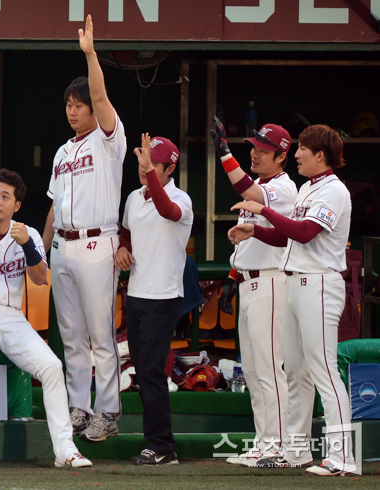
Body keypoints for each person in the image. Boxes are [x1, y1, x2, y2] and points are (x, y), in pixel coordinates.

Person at [228, 124, 356, 476]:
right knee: (295, 373)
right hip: (295, 282)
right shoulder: (306, 189)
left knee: (324, 370)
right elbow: (290, 239)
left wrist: (262, 211)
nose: (297, 154)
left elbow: (305, 231)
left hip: (319, 283)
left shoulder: (334, 190)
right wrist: (254, 229)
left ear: (321, 155)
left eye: (303, 148)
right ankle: (297, 450)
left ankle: (342, 456)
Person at [0, 168, 91, 469]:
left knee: (52, 367)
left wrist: (27, 244)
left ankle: (65, 448)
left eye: (5, 196)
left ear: (17, 205)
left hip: (11, 316)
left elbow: (40, 279)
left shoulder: (29, 233)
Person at [42, 15, 126, 441]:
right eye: (69, 105)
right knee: (71, 335)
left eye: (80, 105)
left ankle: (108, 410)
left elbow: (100, 93)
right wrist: (41, 250)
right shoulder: (61, 151)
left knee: (99, 333)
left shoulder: (109, 139)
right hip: (64, 245)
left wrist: (91, 55)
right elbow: (54, 208)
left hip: (97, 243)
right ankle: (78, 406)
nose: (74, 110)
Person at [211, 117, 297, 466]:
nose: (256, 154)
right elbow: (248, 240)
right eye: (254, 147)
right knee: (253, 369)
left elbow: (250, 193)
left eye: (263, 150)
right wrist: (232, 276)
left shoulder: (283, 187)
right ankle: (264, 443)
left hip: (273, 281)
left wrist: (224, 154)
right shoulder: (262, 185)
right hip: (250, 281)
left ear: (281, 157)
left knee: (269, 368)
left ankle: (278, 445)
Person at [115, 134, 193, 465]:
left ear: (169, 167)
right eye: (142, 163)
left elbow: (168, 211)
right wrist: (122, 247)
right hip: (136, 293)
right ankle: (159, 443)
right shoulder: (134, 197)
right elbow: (128, 231)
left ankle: (162, 445)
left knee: (150, 370)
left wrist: (149, 175)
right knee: (143, 369)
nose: (144, 169)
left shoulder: (181, 198)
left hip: (163, 296)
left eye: (153, 164)